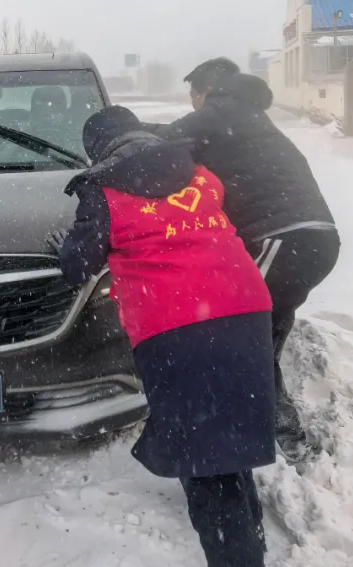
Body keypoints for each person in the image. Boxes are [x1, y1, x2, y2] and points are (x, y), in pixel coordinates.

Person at [54, 106, 287, 567]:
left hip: (178, 324)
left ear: (98, 148)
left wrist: (67, 244)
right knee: (227, 451)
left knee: (208, 478)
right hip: (243, 308)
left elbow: (76, 265)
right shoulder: (199, 172)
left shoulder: (103, 192)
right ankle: (251, 565)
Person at [144, 58, 341, 464]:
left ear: (207, 91)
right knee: (260, 336)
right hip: (312, 239)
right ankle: (277, 428)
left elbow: (162, 144)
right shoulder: (247, 117)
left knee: (240, 335)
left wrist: (124, 133)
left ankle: (279, 439)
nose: (193, 104)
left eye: (193, 95)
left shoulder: (222, 113)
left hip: (285, 240)